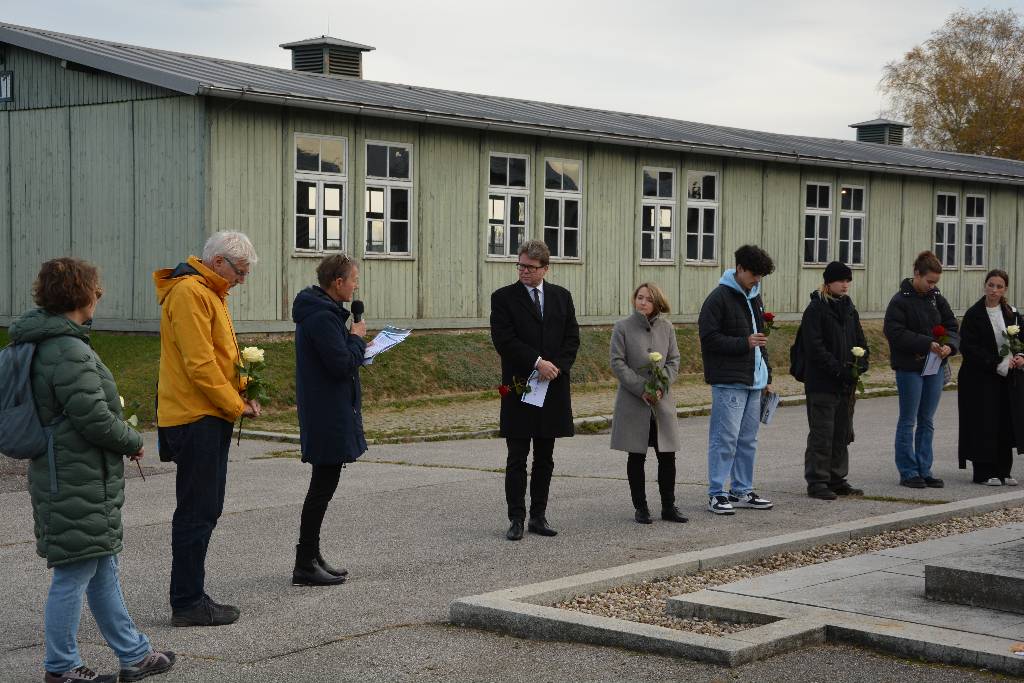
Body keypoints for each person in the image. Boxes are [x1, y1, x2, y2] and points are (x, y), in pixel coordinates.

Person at [10, 258, 174, 683]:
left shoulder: (56, 343)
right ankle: (60, 668)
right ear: (82, 294)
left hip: (73, 474)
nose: (99, 295)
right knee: (74, 572)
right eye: (96, 288)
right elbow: (94, 418)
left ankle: (133, 655)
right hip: (74, 477)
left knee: (100, 566)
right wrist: (132, 440)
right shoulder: (68, 350)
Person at [154, 231, 261, 626]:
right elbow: (200, 365)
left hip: (209, 413)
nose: (242, 280)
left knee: (207, 508)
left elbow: (223, 355)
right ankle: (186, 601)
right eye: (240, 271)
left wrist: (246, 389)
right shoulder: (189, 294)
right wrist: (235, 404)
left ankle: (193, 593)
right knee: (196, 510)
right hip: (195, 416)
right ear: (219, 262)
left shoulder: (209, 293)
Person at [490, 240, 580, 541]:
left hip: (552, 387)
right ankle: (516, 517)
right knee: (517, 457)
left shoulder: (561, 297)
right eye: (520, 266)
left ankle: (538, 516)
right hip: (520, 387)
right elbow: (504, 340)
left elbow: (572, 338)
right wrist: (537, 362)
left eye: (530, 267)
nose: (524, 271)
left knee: (545, 456)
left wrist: (557, 368)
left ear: (545, 269)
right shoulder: (503, 298)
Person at [290, 254, 367, 586]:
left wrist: (357, 343)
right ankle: (304, 563)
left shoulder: (326, 312)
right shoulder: (322, 317)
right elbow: (339, 364)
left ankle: (311, 555)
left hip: (329, 409)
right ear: (337, 283)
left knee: (323, 487)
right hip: (326, 413)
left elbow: (341, 357)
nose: (355, 285)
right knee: (321, 489)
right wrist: (358, 339)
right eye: (353, 280)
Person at [698, 244, 776, 515]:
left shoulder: (754, 297)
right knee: (725, 438)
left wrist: (766, 374)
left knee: (747, 439)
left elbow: (760, 340)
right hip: (729, 381)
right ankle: (716, 492)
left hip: (754, 380)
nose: (757, 280)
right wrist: (744, 343)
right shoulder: (718, 298)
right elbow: (708, 339)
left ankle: (741, 489)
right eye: (754, 274)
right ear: (740, 268)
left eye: (761, 276)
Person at [610, 282, 688, 524]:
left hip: (661, 402)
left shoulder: (667, 328)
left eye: (648, 299)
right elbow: (617, 362)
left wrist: (660, 386)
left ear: (657, 303)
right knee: (637, 456)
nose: (642, 302)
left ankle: (669, 506)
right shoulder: (622, 327)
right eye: (639, 297)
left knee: (667, 455)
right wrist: (643, 388)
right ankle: (641, 507)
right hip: (634, 402)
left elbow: (674, 360)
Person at [883, 250, 960, 489]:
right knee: (908, 420)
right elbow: (894, 332)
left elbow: (952, 325)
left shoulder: (937, 298)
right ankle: (908, 470)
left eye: (936, 282)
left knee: (927, 419)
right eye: (929, 281)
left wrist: (949, 346)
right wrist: (926, 343)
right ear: (917, 274)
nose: (932, 286)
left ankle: (925, 468)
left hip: (935, 367)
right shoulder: (899, 301)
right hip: (909, 368)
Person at [799, 261, 868, 500]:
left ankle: (837, 478)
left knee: (842, 432)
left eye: (848, 280)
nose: (845, 285)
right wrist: (837, 369)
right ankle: (817, 481)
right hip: (822, 383)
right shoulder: (816, 309)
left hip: (845, 383)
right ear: (828, 282)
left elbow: (859, 338)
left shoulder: (849, 309)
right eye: (841, 280)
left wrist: (862, 362)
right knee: (822, 433)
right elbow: (815, 347)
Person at [957, 269, 1024, 485]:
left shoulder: (1012, 313)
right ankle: (984, 472)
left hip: (1007, 377)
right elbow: (969, 347)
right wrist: (996, 363)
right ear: (985, 285)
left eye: (999, 286)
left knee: (1005, 421)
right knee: (984, 423)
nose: (994, 290)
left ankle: (1004, 470)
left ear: (1005, 289)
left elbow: (1021, 339)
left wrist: (1020, 356)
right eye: (991, 285)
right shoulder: (974, 314)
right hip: (980, 378)